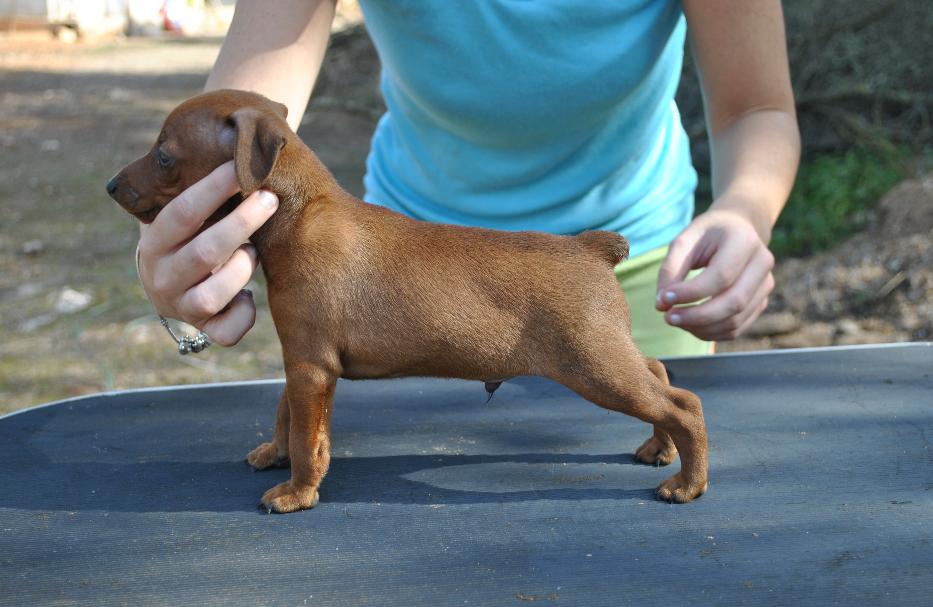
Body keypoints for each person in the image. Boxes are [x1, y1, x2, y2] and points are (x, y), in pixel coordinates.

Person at [135, 0, 800, 358]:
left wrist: (744, 209)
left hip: (633, 279)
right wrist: (191, 254)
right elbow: (242, 126)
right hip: (399, 278)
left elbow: (757, 110)